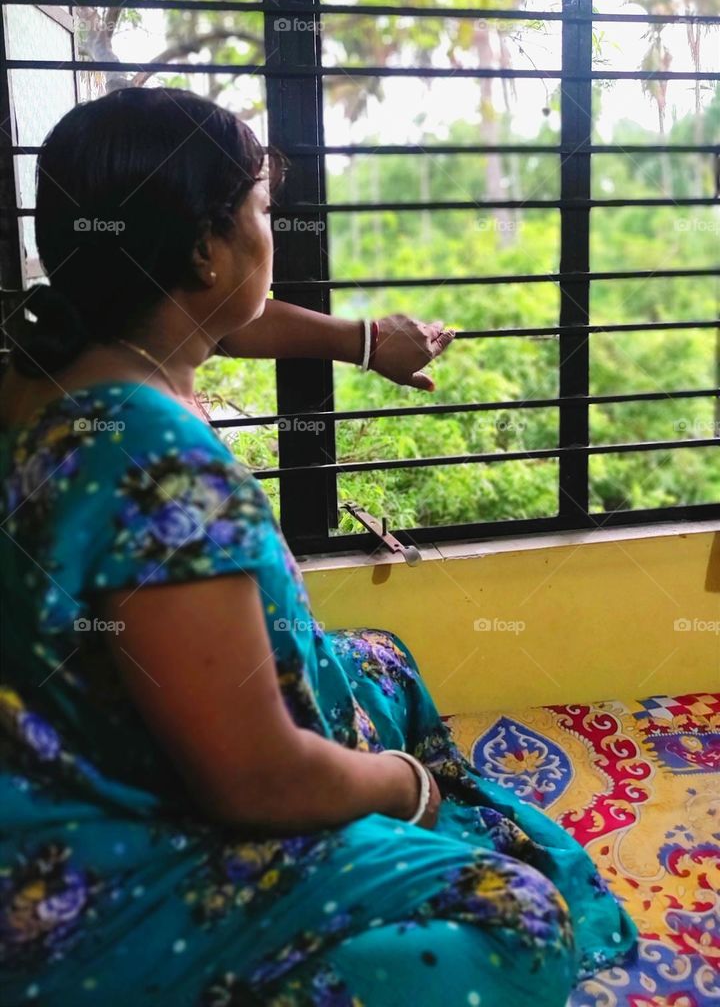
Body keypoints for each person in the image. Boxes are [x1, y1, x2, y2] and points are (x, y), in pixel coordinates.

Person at [0, 88, 636, 1007]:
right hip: (144, 842)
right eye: (261, 211)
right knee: (521, 920)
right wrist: (405, 788)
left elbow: (225, 316)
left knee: (382, 663)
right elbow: (253, 781)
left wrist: (363, 340)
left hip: (111, 735)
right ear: (206, 250)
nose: (275, 231)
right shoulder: (162, 469)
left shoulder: (51, 359)